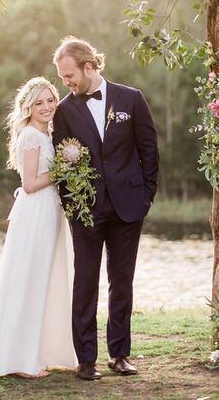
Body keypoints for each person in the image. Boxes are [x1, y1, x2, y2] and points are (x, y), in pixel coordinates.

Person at [52, 37, 159, 381]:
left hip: (129, 207)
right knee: (85, 282)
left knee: (122, 281)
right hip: (86, 210)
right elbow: (62, 162)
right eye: (61, 76)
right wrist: (73, 204)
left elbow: (149, 150)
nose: (65, 82)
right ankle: (86, 359)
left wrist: (146, 196)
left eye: (69, 75)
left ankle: (120, 354)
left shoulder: (131, 98)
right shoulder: (65, 110)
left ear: (88, 66)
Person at [0, 77, 77, 379]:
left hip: (49, 211)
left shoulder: (48, 135)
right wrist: (61, 172)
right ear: (28, 107)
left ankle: (38, 352)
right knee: (29, 280)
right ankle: (19, 360)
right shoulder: (30, 136)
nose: (46, 107)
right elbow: (29, 184)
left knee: (43, 280)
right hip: (35, 213)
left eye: (50, 100)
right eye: (39, 102)